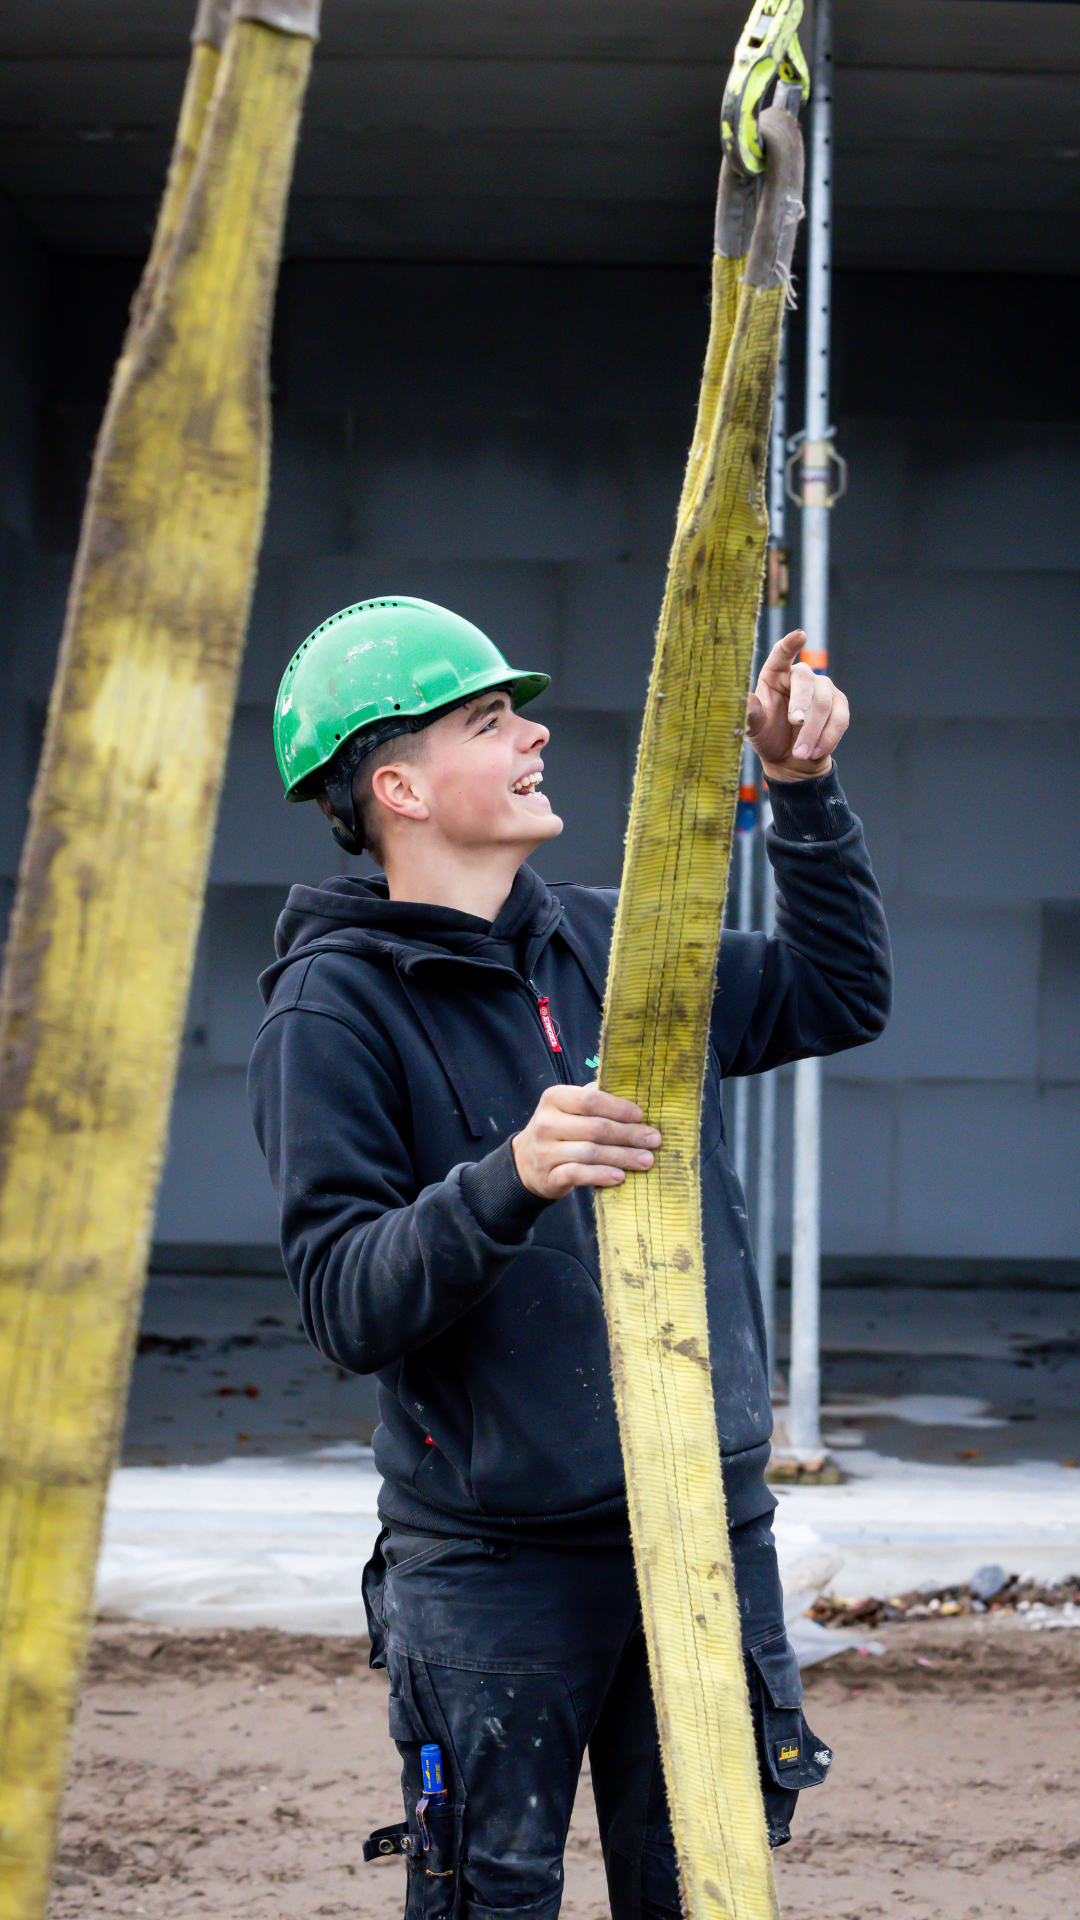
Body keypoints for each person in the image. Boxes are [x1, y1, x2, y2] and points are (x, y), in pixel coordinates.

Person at [249, 594, 891, 1919]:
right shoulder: (332, 1008)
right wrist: (510, 1180)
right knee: (490, 1899)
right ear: (398, 784)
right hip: (491, 1573)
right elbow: (341, 1299)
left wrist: (802, 789)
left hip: (701, 1541)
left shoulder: (617, 942)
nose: (535, 735)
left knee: (706, 1894)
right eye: (491, 719)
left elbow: (841, 991)